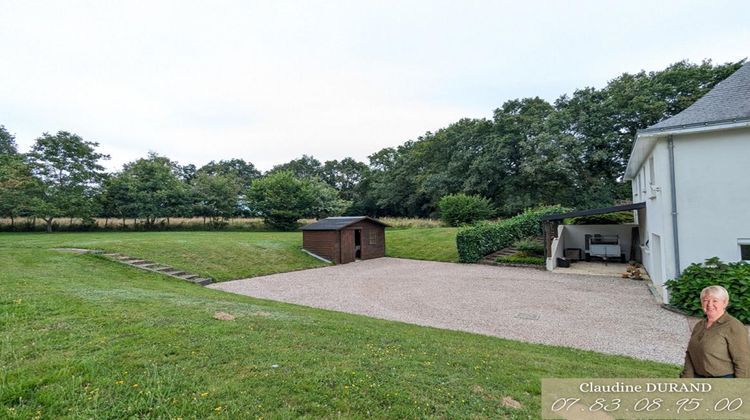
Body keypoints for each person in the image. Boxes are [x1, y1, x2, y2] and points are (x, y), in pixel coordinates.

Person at [681, 285, 750, 378]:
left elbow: (743, 360)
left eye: (715, 301)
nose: (709, 304)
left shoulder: (734, 326)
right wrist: (687, 378)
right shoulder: (699, 325)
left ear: (725, 303)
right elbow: (690, 353)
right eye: (705, 300)